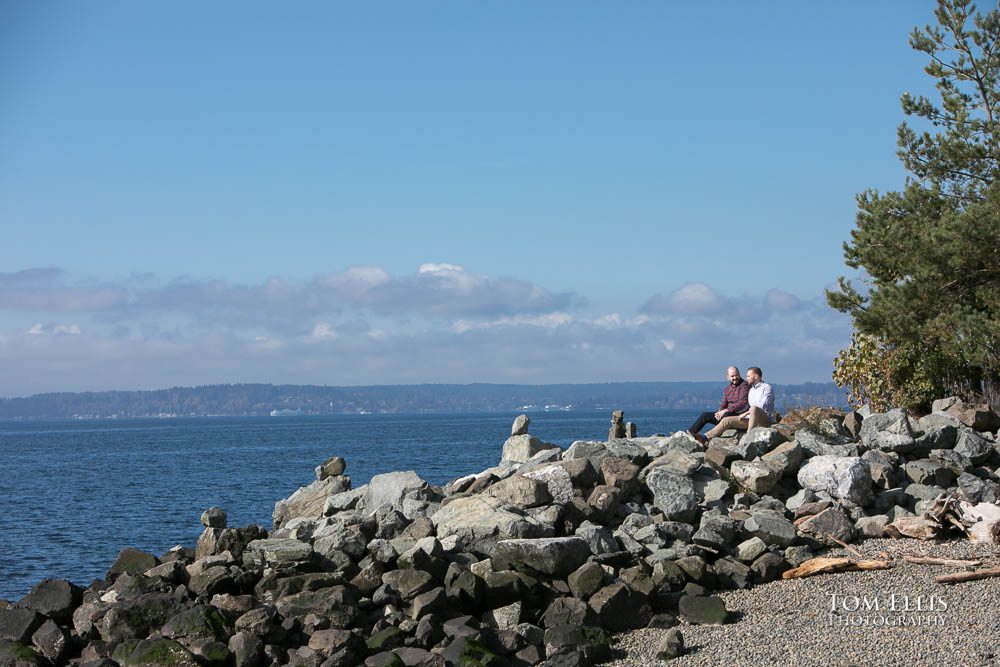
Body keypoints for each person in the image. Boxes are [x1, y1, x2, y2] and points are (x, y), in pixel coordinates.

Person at [704, 366, 776, 439]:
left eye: (748, 376)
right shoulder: (751, 390)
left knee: (754, 408)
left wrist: (745, 413)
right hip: (750, 419)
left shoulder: (766, 388)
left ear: (756, 376)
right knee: (727, 420)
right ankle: (705, 437)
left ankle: (748, 436)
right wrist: (720, 411)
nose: (746, 378)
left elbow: (760, 406)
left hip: (764, 420)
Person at [688, 367, 750, 444]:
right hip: (726, 414)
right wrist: (719, 412)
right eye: (732, 376)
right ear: (728, 377)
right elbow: (723, 403)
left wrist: (726, 410)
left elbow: (742, 403)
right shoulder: (727, 389)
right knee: (705, 415)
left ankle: (708, 437)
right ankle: (690, 434)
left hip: (739, 416)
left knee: (726, 414)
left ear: (739, 374)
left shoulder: (745, 385)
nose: (735, 378)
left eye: (736, 375)